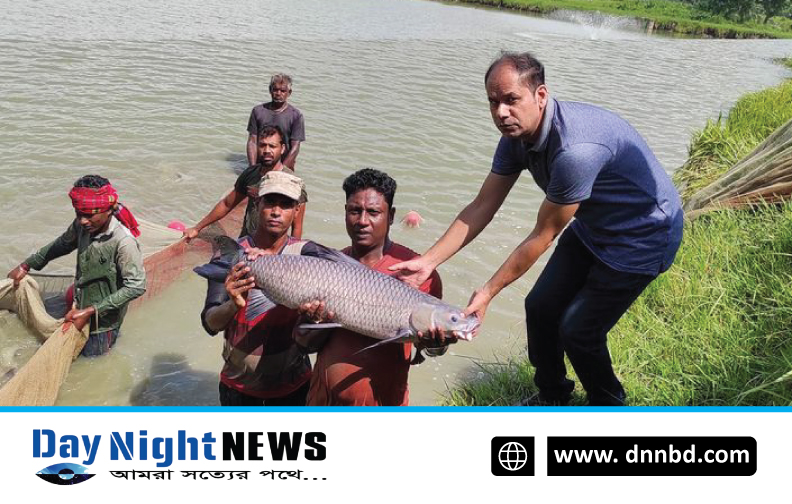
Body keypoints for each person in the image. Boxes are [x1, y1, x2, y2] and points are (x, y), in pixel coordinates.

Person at [390, 52, 684, 406]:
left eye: (511, 100)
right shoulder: (516, 136)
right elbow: (483, 206)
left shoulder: (575, 151)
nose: (501, 112)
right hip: (596, 225)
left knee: (578, 330)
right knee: (541, 307)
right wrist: (429, 261)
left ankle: (608, 403)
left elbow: (542, 236)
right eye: (493, 102)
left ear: (540, 96)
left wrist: (486, 293)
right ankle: (552, 395)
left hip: (644, 234)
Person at [297, 168, 444, 406]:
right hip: (321, 401)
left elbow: (431, 351)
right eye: (355, 211)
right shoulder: (326, 268)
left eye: (373, 212)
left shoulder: (419, 273)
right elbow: (303, 345)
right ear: (345, 212)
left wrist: (435, 345)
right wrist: (314, 322)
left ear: (392, 215)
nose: (362, 221)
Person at [199, 171, 312, 406]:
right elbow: (210, 324)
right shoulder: (231, 254)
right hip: (238, 388)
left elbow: (317, 336)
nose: (276, 212)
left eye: (286, 205)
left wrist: (316, 317)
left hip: (294, 386)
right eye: (270, 201)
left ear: (297, 211)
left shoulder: (306, 257)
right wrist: (233, 303)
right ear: (257, 203)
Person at [6, 175, 146, 356]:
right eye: (78, 214)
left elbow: (136, 286)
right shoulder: (83, 225)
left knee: (93, 359)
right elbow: (63, 244)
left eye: (89, 215)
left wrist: (90, 311)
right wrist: (26, 265)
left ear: (108, 210)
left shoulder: (123, 242)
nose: (82, 221)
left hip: (103, 323)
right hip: (80, 304)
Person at [183, 125, 307, 241]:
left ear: (282, 148)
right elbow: (227, 204)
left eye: (272, 146)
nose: (267, 150)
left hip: (274, 247)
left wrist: (291, 253)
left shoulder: (292, 183)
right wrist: (197, 228)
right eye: (262, 145)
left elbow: (297, 227)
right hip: (247, 241)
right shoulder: (250, 174)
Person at [246, 74, 306, 169]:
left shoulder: (296, 116)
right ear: (270, 90)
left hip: (283, 165)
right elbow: (252, 142)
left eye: (283, 91)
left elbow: (295, 147)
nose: (278, 93)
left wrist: (281, 170)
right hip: (260, 165)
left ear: (289, 92)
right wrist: (252, 168)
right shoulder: (257, 111)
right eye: (275, 89)